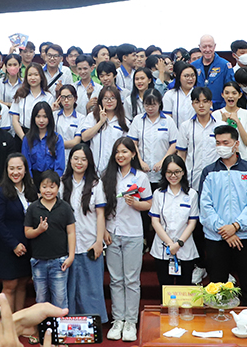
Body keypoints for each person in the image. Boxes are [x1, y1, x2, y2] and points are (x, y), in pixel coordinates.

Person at [199, 125, 247, 295]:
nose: (221, 147)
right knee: (217, 287)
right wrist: (224, 231)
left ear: (236, 144)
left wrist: (235, 226)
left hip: (245, 237)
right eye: (218, 143)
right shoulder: (208, 172)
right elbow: (205, 206)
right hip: (216, 237)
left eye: (225, 143)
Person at [101, 138, 152, 342]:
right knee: (115, 279)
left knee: (131, 279)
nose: (120, 155)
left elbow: (149, 204)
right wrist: (103, 229)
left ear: (132, 154)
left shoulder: (140, 177)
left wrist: (136, 204)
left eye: (124, 151)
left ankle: (131, 321)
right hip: (112, 232)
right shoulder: (107, 176)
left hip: (133, 233)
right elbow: (101, 207)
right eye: (117, 152)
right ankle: (118, 320)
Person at [62, 143, 108, 322]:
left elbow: (100, 214)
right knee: (70, 287)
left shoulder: (96, 184)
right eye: (76, 158)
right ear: (70, 160)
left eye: (83, 159)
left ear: (89, 162)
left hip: (90, 242)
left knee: (92, 288)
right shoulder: (62, 183)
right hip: (68, 245)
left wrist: (99, 241)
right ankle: (70, 323)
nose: (79, 162)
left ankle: (93, 323)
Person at [24, 170, 76, 309]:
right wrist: (39, 230)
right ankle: (43, 324)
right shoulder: (33, 208)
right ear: (39, 188)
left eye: (52, 187)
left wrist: (71, 256)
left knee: (60, 299)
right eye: (44, 187)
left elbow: (71, 232)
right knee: (41, 299)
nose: (48, 190)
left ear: (58, 188)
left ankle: (59, 324)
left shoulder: (65, 207)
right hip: (38, 260)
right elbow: (27, 233)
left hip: (59, 260)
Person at [147, 154, 199, 287]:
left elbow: (192, 223)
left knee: (184, 289)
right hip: (163, 248)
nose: (173, 176)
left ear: (183, 172)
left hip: (185, 247)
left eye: (177, 172)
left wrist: (178, 244)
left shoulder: (192, 194)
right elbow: (155, 222)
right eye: (169, 172)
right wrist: (170, 244)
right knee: (165, 289)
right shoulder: (158, 194)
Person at [0, 153, 36, 312]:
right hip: (9, 247)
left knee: (23, 283)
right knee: (10, 285)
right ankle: (7, 322)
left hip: (28, 245)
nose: (15, 172)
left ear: (25, 170)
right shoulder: (0, 192)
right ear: (6, 170)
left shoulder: (31, 190)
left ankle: (18, 320)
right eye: (12, 168)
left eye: (19, 168)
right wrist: (14, 245)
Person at [128, 88, 177, 186]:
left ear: (159, 103)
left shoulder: (168, 121)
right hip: (142, 171)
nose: (150, 108)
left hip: (163, 172)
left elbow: (174, 144)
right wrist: (140, 162)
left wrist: (162, 161)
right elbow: (133, 143)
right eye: (147, 105)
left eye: (153, 105)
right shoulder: (138, 120)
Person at [80, 85, 129, 173]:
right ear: (100, 101)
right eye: (105, 98)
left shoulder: (124, 122)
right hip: (94, 168)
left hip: (116, 169)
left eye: (112, 98)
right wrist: (101, 122)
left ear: (118, 101)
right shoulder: (92, 117)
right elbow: (84, 137)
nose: (109, 101)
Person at [22, 103, 66, 177]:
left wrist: (54, 179)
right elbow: (26, 162)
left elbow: (60, 165)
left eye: (45, 117)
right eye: (38, 116)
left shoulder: (57, 138)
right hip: (33, 177)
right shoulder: (27, 138)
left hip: (51, 177)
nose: (41, 120)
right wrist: (30, 179)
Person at [213, 81, 247, 160]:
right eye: (227, 93)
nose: (230, 96)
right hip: (220, 158)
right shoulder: (216, 114)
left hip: (242, 158)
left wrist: (237, 121)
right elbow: (214, 140)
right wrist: (223, 122)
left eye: (234, 93)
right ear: (222, 95)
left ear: (240, 95)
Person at [192, 35, 235, 108]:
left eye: (210, 46)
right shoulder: (193, 65)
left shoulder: (225, 65)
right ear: (200, 47)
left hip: (220, 108)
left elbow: (230, 88)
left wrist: (224, 108)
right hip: (199, 108)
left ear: (214, 46)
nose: (207, 49)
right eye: (204, 47)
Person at [11, 67, 54, 137]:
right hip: (22, 133)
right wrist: (24, 138)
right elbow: (15, 120)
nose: (33, 78)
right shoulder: (20, 95)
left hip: (42, 134)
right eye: (30, 75)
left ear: (41, 77)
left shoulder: (49, 97)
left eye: (36, 75)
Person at [162, 61, 198, 128]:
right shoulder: (169, 95)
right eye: (186, 76)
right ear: (178, 77)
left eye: (193, 75)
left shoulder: (201, 94)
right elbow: (167, 120)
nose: (190, 79)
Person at [54, 84, 83, 149]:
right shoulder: (54, 115)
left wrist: (55, 144)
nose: (66, 100)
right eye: (63, 97)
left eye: (69, 97)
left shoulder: (81, 118)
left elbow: (76, 142)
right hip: (56, 153)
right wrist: (51, 109)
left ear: (75, 98)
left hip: (72, 153)